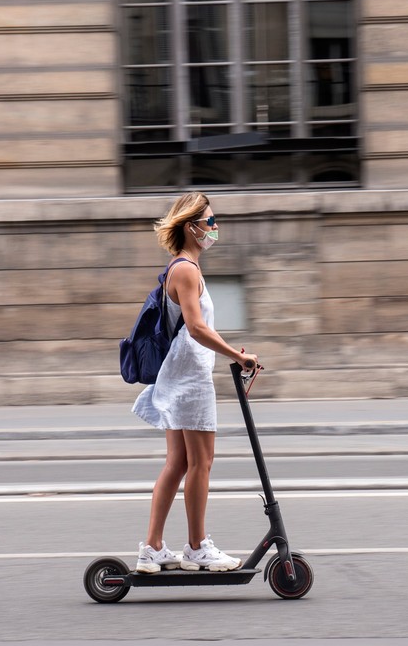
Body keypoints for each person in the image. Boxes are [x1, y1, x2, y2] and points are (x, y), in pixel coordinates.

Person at [132, 191, 260, 574]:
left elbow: (196, 329)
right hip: (189, 379)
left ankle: (152, 549)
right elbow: (197, 326)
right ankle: (197, 547)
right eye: (211, 221)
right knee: (200, 463)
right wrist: (237, 356)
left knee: (178, 463)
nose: (215, 228)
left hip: (179, 375)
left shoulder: (182, 267)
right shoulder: (186, 269)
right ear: (192, 227)